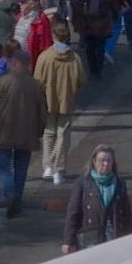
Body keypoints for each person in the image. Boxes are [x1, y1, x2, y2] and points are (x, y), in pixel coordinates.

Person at [0, 50, 47, 218]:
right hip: (27, 134)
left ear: (14, 63)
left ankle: (10, 195)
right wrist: (38, 132)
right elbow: (43, 114)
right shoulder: (37, 86)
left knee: (3, 167)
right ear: (28, 64)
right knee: (21, 168)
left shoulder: (2, 82)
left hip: (3, 132)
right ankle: (16, 200)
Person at [34, 22, 86, 184]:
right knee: (63, 135)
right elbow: (81, 80)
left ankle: (47, 166)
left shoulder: (45, 56)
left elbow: (37, 80)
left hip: (47, 101)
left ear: (53, 35)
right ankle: (59, 169)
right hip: (66, 101)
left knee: (49, 133)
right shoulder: (74, 58)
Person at [62, 144, 132, 254]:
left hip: (114, 237)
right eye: (101, 160)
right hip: (89, 238)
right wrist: (68, 241)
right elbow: (72, 213)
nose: (105, 164)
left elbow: (127, 213)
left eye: (109, 160)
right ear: (94, 162)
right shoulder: (82, 183)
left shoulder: (120, 183)